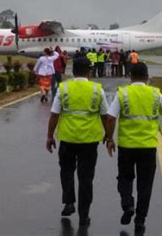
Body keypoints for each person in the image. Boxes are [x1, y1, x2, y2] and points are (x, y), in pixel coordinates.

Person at [105, 62, 162, 234]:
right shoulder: (155, 94)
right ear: (147, 77)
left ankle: (128, 205)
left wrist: (109, 139)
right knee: (145, 185)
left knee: (125, 178)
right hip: (148, 148)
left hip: (127, 147)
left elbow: (111, 118)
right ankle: (140, 221)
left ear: (130, 77)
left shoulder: (123, 93)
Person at [46, 57, 109, 226]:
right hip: (90, 140)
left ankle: (69, 202)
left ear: (72, 71)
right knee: (86, 177)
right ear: (89, 71)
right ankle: (84, 215)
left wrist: (49, 136)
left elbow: (54, 115)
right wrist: (109, 135)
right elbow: (105, 115)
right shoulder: (97, 89)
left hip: (67, 138)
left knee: (66, 171)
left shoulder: (64, 88)